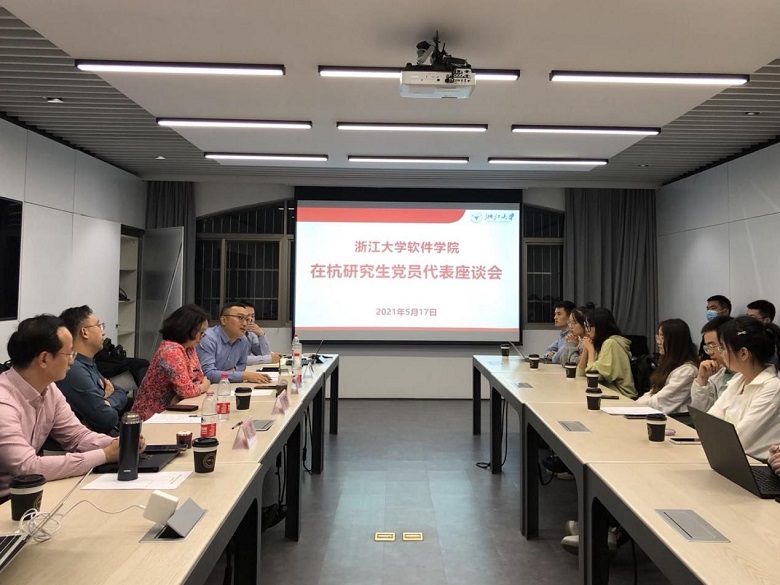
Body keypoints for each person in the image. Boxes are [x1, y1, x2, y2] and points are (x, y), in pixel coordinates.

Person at [0, 315, 122, 500]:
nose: (72, 361)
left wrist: (118, 443)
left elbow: (77, 436)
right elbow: (27, 467)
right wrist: (104, 455)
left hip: (29, 493)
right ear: (44, 359)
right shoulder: (4, 402)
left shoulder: (49, 389)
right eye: (69, 354)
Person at [706, 316, 780, 461]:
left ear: (743, 353)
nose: (720, 353)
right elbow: (709, 422)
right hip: (730, 458)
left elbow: (738, 440)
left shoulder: (773, 388)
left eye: (722, 348)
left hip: (755, 464)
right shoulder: (738, 380)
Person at [57, 305, 129, 434]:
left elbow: (121, 392)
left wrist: (107, 402)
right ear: (85, 332)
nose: (103, 332)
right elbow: (107, 419)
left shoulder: (87, 363)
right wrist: (106, 401)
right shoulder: (74, 370)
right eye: (99, 325)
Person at [132, 304, 212, 421]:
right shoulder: (170, 350)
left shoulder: (189, 348)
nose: (202, 337)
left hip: (176, 408)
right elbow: (187, 391)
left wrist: (199, 385)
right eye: (201, 332)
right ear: (188, 329)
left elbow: (198, 377)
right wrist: (205, 386)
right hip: (153, 415)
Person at [197, 303, 272, 384]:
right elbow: (208, 374)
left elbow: (242, 365)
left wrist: (234, 371)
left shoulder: (243, 340)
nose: (245, 323)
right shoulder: (208, 338)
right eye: (240, 318)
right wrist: (243, 376)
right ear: (224, 320)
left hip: (225, 385)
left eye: (247, 319)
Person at [635, 319, 698, 415]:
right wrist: (633, 404)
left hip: (675, 419)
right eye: (658, 337)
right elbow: (652, 393)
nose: (658, 342)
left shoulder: (687, 371)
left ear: (675, 341)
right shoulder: (669, 364)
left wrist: (634, 407)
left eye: (663, 338)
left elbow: (661, 402)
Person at [577, 307, 636, 398]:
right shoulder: (600, 343)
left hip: (622, 395)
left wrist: (590, 350)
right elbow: (581, 374)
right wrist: (586, 349)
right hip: (609, 391)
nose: (587, 330)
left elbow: (593, 375)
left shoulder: (611, 343)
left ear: (599, 326)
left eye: (589, 326)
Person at [690, 316, 735, 411]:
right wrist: (702, 378)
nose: (710, 352)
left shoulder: (745, 377)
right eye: (707, 347)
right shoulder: (716, 374)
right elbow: (700, 413)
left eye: (712, 345)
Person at [240, 301, 281, 365]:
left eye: (253, 316)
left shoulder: (250, 334)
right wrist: (269, 359)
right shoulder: (233, 334)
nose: (251, 319)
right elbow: (239, 359)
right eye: (247, 316)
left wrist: (261, 334)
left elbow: (265, 354)